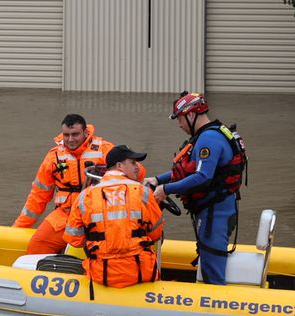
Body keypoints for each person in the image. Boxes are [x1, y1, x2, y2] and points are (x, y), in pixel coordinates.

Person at [150, 92, 246, 285]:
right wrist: (157, 179)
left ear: (191, 115)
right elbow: (188, 170)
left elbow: (202, 177)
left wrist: (165, 189)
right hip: (214, 210)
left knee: (212, 270)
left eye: (180, 119)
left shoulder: (209, 139)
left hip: (215, 213)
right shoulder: (210, 134)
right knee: (208, 261)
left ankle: (217, 302)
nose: (179, 125)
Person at [14, 113, 129, 255]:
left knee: (107, 248)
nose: (70, 139)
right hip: (66, 214)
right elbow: (38, 195)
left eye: (75, 134)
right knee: (38, 245)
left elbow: (136, 172)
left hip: (100, 214)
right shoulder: (54, 156)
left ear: (85, 132)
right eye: (66, 135)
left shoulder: (105, 149)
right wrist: (18, 228)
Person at [65, 145, 164, 288]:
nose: (137, 167)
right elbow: (156, 234)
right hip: (140, 272)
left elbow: (74, 239)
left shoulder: (85, 196)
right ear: (119, 166)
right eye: (133, 163)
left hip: (102, 273)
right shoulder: (143, 192)